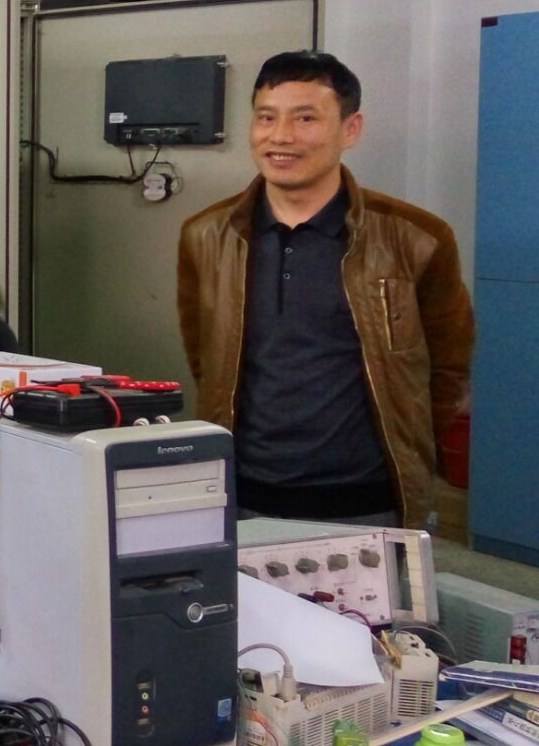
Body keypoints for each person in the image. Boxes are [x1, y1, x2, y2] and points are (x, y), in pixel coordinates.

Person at [177, 50, 474, 530]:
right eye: (266, 117)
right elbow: (206, 360)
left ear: (350, 129)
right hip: (243, 493)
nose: (281, 136)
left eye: (306, 118)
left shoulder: (416, 237)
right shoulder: (207, 235)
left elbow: (448, 367)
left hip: (369, 501)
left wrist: (414, 457)